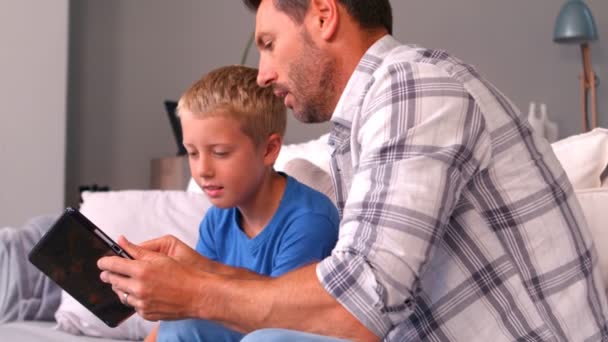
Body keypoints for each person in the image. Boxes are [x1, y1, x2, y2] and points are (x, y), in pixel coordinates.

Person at [99, 0, 608, 341]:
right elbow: (346, 284)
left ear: (323, 15)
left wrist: (194, 291)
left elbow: (357, 304)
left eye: (270, 43)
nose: (263, 73)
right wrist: (202, 271)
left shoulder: (413, 87)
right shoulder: (366, 122)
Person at [139, 65, 340, 341]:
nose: (202, 170)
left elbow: (287, 316)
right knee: (179, 325)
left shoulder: (309, 218)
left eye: (220, 153)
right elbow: (193, 308)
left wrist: (199, 277)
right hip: (243, 330)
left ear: (269, 150)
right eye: (192, 153)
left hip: (286, 331)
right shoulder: (216, 220)